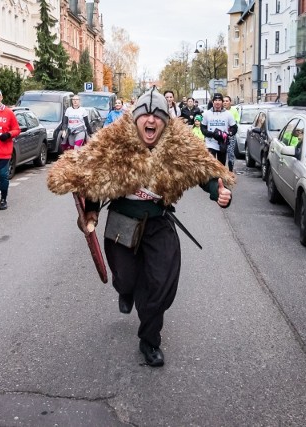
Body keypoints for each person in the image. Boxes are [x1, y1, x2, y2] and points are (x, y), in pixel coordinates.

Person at [47, 87, 235, 367]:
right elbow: (94, 178)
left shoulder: (177, 145)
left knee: (161, 285)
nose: (151, 120)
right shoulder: (114, 143)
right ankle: (126, 290)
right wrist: (91, 212)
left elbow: (203, 170)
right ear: (135, 119)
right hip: (123, 222)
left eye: (157, 115)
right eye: (145, 115)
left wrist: (217, 192)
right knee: (126, 277)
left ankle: (149, 340)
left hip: (159, 222)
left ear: (165, 120)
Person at [201, 92, 237, 166]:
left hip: (222, 143)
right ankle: (213, 178)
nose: (217, 102)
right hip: (210, 143)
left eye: (219, 100)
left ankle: (220, 177)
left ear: (222, 102)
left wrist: (228, 134)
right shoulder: (207, 114)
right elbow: (203, 127)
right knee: (211, 165)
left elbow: (234, 128)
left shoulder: (228, 114)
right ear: (213, 102)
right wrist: (211, 134)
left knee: (221, 165)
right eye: (216, 100)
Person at [223, 96, 240, 172]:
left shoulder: (234, 110)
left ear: (230, 102)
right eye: (224, 101)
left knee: (230, 153)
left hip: (231, 135)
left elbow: (237, 121)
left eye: (227, 101)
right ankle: (222, 170)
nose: (225, 102)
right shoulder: (220, 111)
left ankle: (230, 170)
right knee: (222, 153)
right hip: (221, 135)